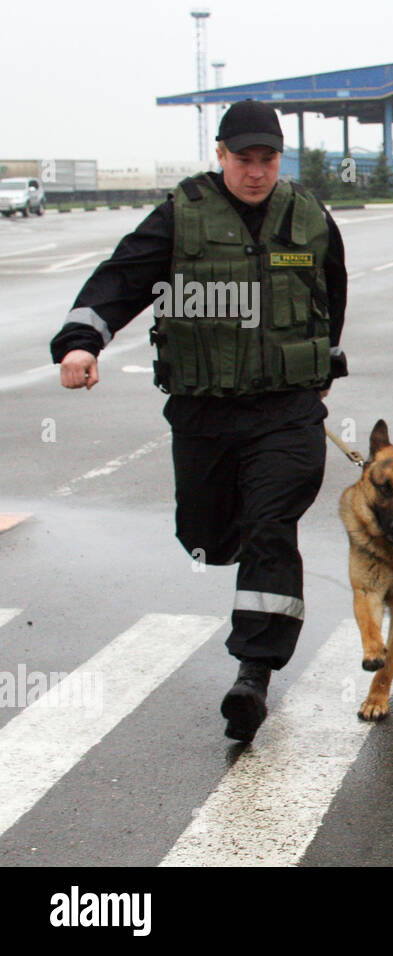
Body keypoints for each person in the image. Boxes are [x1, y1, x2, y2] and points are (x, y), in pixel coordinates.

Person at [50, 99, 348, 743]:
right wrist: (81, 340)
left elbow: (332, 294)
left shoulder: (310, 216)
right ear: (221, 155)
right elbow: (123, 278)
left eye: (268, 159)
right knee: (209, 537)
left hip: (287, 414)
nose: (256, 172)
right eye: (244, 159)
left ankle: (253, 673)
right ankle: (230, 566)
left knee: (272, 527)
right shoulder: (181, 216)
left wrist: (312, 361)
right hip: (205, 415)